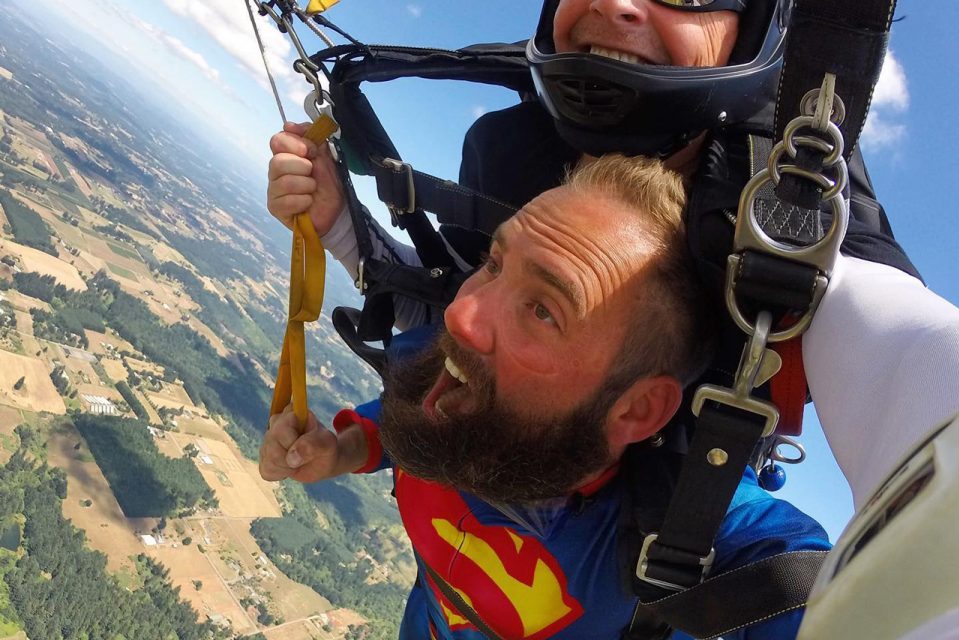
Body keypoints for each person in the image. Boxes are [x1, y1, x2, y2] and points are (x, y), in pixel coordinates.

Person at [267, 0, 959, 510]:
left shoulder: (795, 229)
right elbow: (462, 325)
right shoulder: (510, 153)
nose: (615, 3)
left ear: (754, 29)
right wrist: (340, 225)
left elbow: (911, 356)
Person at [261, 154, 831, 639]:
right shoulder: (450, 373)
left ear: (635, 410)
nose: (459, 315)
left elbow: (806, 579)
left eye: (542, 310)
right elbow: (403, 418)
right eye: (494, 264)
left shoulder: (678, 523)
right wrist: (340, 447)